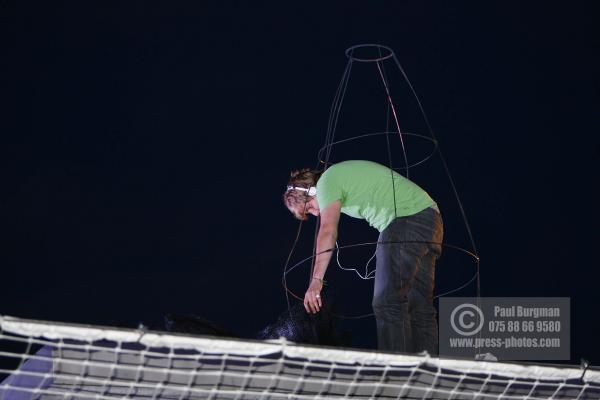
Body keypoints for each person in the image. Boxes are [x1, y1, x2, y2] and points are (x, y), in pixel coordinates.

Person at [282, 160, 443, 355]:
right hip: (430, 219)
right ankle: (428, 374)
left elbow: (327, 230)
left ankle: (396, 372)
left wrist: (316, 281)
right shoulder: (337, 179)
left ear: (311, 192)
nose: (315, 214)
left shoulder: (326, 182)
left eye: (308, 208)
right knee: (420, 307)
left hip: (405, 220)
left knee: (387, 300)